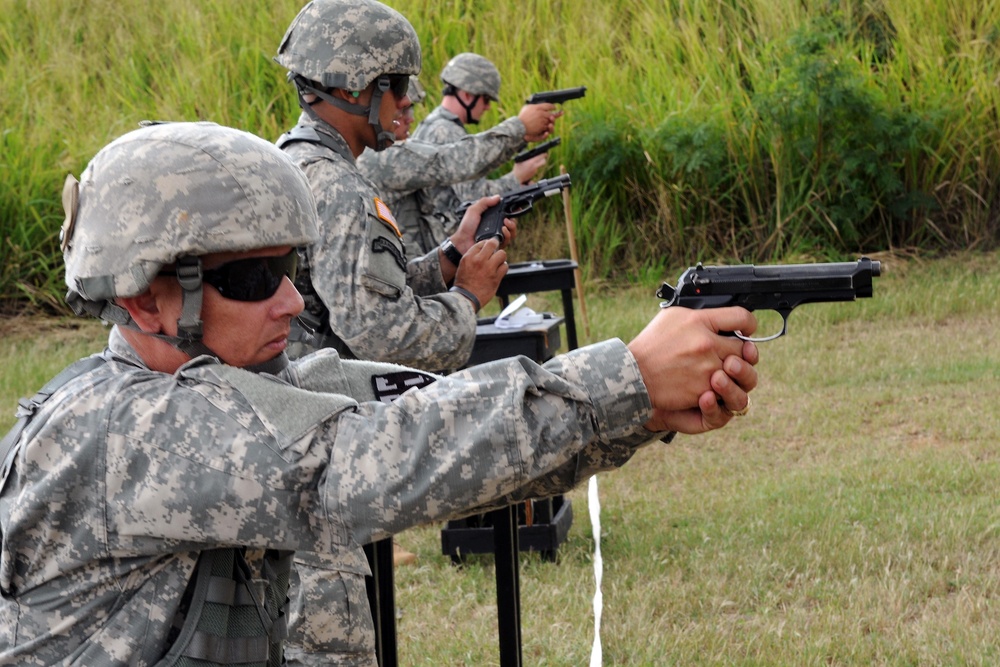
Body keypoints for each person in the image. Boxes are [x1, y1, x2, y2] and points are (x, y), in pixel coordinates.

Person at [0, 120, 759, 665]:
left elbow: (422, 428)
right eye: (254, 279)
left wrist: (640, 409)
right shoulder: (123, 428)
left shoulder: (224, 393)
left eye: (291, 269)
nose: (293, 303)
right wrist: (625, 373)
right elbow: (377, 458)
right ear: (143, 300)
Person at [274, 0, 558, 372]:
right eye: (399, 85)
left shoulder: (297, 156)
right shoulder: (337, 185)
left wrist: (451, 256)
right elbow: (385, 336)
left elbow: (360, 289)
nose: (407, 101)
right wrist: (467, 297)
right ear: (350, 89)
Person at [358, 74, 559, 257]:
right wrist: (519, 127)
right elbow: (452, 162)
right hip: (406, 276)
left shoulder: (386, 151)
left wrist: (519, 138)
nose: (410, 118)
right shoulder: (380, 157)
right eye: (402, 111)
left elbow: (462, 165)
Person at [406, 52, 552, 242]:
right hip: (442, 246)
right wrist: (516, 178)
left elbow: (478, 161)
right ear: (467, 94)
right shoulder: (445, 131)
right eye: (486, 100)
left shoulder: (435, 124)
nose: (488, 107)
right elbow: (474, 197)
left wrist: (521, 139)